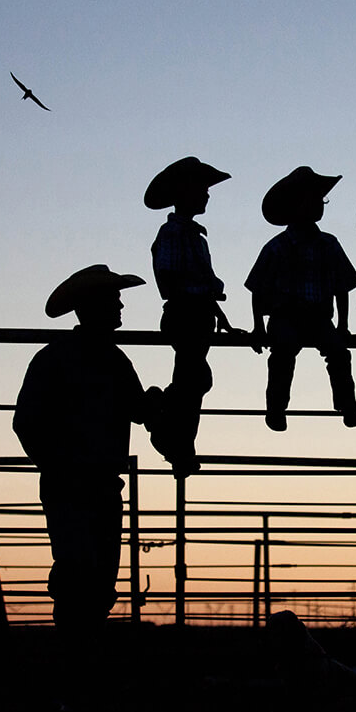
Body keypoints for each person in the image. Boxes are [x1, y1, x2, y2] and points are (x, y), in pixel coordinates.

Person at [13, 264, 153, 704]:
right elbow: (141, 411)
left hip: (74, 481)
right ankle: (84, 674)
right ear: (95, 306)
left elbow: (25, 423)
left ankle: (79, 674)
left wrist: (55, 465)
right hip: (90, 482)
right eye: (113, 299)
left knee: (81, 574)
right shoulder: (110, 358)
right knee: (90, 576)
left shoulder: (57, 356)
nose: (120, 305)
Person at [245, 166, 356, 431]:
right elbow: (258, 289)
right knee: (283, 352)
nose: (318, 205)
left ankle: (347, 402)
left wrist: (343, 324)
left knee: (338, 353)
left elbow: (341, 286)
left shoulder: (328, 244)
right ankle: (276, 406)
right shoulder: (278, 246)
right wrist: (258, 326)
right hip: (285, 315)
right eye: (313, 199)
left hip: (319, 317)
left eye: (319, 200)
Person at [145, 156, 241, 477]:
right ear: (185, 192)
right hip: (186, 314)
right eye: (202, 189)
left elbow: (194, 285)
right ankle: (176, 442)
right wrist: (202, 297)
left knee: (193, 379)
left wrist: (220, 317)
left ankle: (172, 434)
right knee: (193, 379)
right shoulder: (174, 233)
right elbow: (171, 281)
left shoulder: (192, 235)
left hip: (197, 315)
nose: (207, 195)